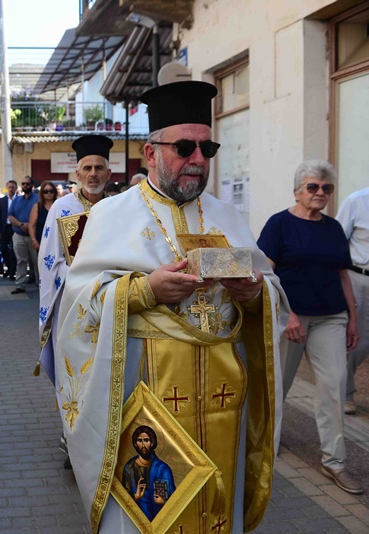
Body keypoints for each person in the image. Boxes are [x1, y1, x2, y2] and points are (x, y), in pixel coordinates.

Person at [56, 80, 287, 533]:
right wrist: (144, 291)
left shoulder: (228, 216)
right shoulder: (110, 215)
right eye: (184, 147)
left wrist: (255, 294)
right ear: (150, 152)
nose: (198, 160)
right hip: (146, 402)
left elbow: (270, 288)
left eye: (207, 148)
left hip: (224, 403)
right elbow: (78, 307)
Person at [257, 160, 361, 494]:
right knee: (279, 387)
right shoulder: (279, 225)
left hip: (331, 316)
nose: (320, 193)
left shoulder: (332, 228)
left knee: (334, 385)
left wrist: (352, 318)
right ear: (297, 191)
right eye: (313, 187)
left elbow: (342, 273)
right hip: (290, 317)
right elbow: (266, 275)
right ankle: (264, 446)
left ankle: (335, 461)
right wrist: (286, 315)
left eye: (326, 188)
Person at [36, 135, 112, 383]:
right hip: (71, 301)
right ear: (78, 174)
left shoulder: (117, 207)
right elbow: (48, 261)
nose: (93, 174)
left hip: (110, 302)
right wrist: (81, 276)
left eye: (98, 168)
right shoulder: (62, 208)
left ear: (108, 173)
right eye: (87, 168)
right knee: (73, 373)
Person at [337, 186, 369, 416]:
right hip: (360, 278)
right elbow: (337, 242)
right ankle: (346, 393)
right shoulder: (356, 201)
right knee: (357, 339)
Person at [121, 426, 176, 522]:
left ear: (152, 443)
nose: (143, 445)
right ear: (135, 443)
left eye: (146, 440)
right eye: (139, 441)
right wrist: (136, 496)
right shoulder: (129, 468)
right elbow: (122, 501)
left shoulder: (162, 469)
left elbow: (174, 499)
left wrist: (164, 502)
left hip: (158, 521)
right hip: (135, 522)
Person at [8, 176, 39, 294]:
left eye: (27, 184)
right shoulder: (16, 200)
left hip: (34, 236)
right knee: (21, 261)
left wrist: (30, 225)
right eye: (23, 184)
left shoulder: (37, 199)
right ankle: (20, 285)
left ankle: (40, 283)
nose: (25, 186)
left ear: (32, 185)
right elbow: (10, 216)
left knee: (37, 261)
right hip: (19, 234)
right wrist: (21, 224)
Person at [0, 180, 18, 279]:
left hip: (15, 227)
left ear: (15, 188)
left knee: (14, 250)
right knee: (3, 249)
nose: (11, 189)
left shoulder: (19, 200)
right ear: (7, 188)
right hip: (5, 228)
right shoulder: (3, 200)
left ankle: (13, 271)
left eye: (13, 187)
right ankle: (9, 267)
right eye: (9, 187)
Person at [28, 180, 57, 250]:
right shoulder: (37, 206)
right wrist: (34, 240)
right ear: (42, 193)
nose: (49, 193)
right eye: (46, 191)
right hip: (41, 242)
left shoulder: (59, 205)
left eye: (51, 191)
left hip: (56, 241)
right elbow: (31, 225)